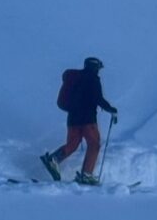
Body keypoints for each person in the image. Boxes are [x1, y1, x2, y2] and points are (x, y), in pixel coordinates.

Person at [41, 56, 118, 185]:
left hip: (72, 119)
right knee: (94, 144)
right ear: (94, 67)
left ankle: (53, 159)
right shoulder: (93, 79)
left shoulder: (75, 78)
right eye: (98, 67)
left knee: (73, 145)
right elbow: (98, 98)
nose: (99, 70)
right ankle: (86, 175)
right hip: (88, 119)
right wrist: (111, 110)